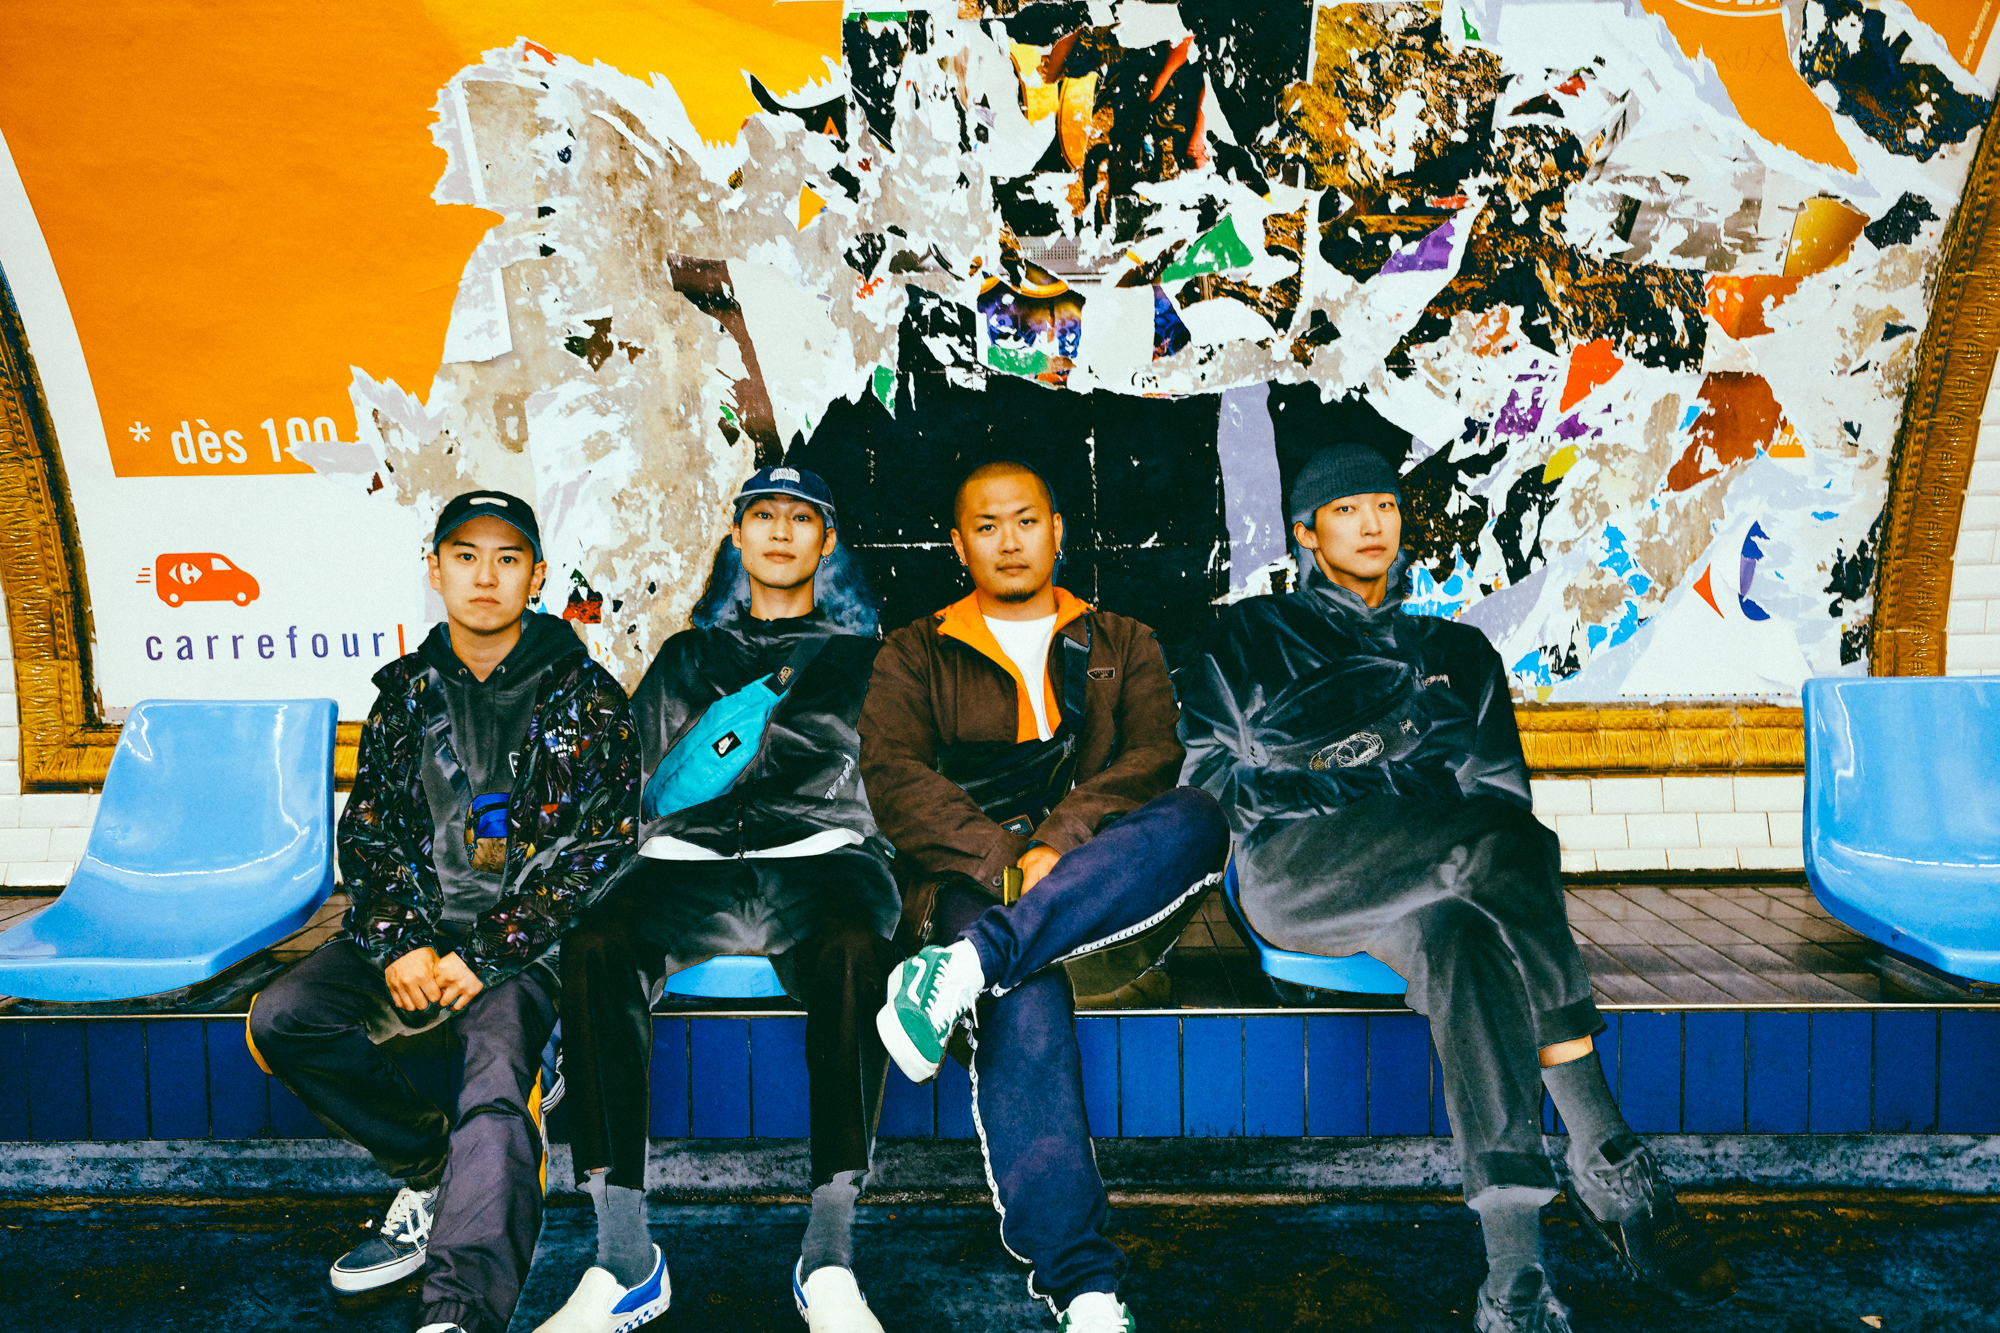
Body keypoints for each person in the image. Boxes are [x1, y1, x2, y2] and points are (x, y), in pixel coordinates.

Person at [1177, 443, 1737, 1332]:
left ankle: (1515, 1275)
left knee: (1467, 940)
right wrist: (1360, 776)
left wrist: (1393, 795)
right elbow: (1206, 791)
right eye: (1346, 509)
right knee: (1492, 842)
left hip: (1437, 878)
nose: (1371, 523)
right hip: (1298, 872)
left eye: (1384, 506)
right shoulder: (1249, 636)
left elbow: (1501, 802)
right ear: (1306, 532)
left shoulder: (1458, 653)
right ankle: (1603, 1146)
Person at [247, 490, 639, 1333]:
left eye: (507, 558)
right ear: (435, 569)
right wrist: (400, 943)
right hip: (418, 940)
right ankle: (434, 1169)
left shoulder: (588, 698)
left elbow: (601, 852)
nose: (485, 575)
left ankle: (459, 1311)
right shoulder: (404, 694)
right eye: (465, 555)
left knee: (493, 1082)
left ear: (536, 576)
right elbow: (372, 832)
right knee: (285, 1016)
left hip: (524, 952)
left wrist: (485, 955)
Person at [860, 459, 1230, 1333]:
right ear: (959, 545)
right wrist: (1004, 862)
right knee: (1023, 995)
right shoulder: (914, 650)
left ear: (1057, 530)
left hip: (1107, 896)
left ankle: (966, 969)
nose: (1009, 540)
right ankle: (1086, 1289)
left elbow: (1152, 758)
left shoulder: (1123, 641)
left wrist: (1059, 842)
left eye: (1026, 520)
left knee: (1198, 814)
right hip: (964, 892)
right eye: (986, 526)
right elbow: (896, 778)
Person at [537, 466, 902, 1333]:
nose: (780, 531)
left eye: (800, 518)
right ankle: (622, 1256)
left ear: (826, 540)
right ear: (737, 536)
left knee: (857, 949)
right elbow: (631, 783)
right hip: (689, 863)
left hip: (819, 863)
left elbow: (899, 778)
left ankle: (829, 1253)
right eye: (762, 516)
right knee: (594, 943)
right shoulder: (687, 657)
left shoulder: (867, 661)